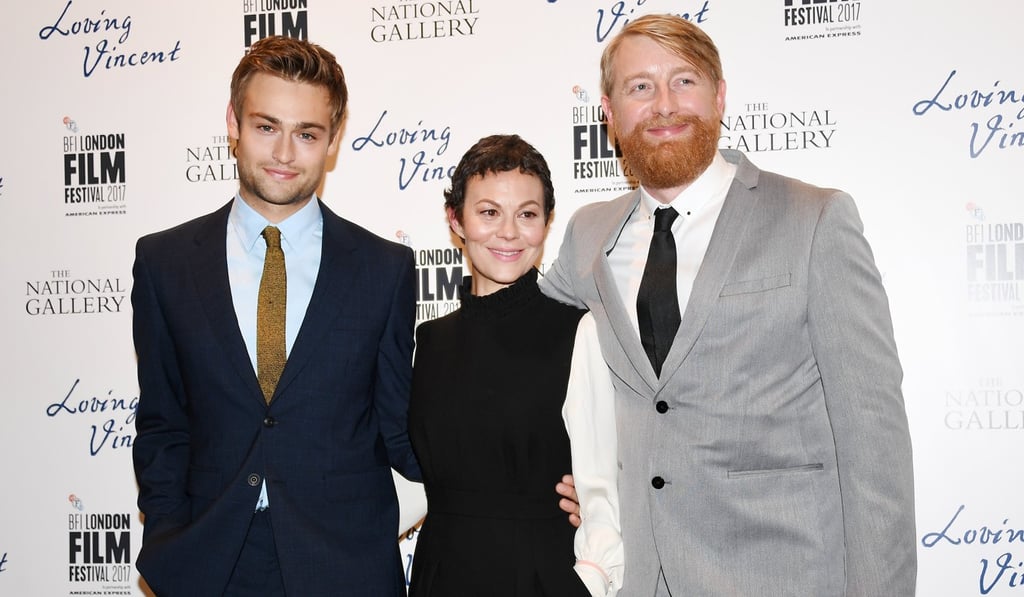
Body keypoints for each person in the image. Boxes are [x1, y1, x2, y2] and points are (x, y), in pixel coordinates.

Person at [543, 14, 916, 596]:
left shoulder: (813, 220)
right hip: (638, 579)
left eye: (684, 82)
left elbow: (874, 445)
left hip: (782, 577)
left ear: (719, 97)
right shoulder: (587, 237)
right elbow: (521, 349)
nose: (664, 104)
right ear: (610, 114)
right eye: (640, 87)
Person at [131, 36, 420, 596]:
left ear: (332, 141)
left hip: (345, 564)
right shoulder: (165, 262)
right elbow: (163, 421)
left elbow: (399, 427)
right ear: (233, 124)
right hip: (209, 562)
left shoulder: (385, 269)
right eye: (266, 127)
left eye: (307, 133)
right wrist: (169, 538)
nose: (285, 153)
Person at [407, 134, 623, 597]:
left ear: (546, 224)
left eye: (526, 214)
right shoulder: (429, 340)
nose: (508, 232)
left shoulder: (578, 331)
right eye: (489, 212)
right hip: (442, 574)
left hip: (543, 574)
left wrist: (592, 579)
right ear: (456, 220)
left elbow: (605, 482)